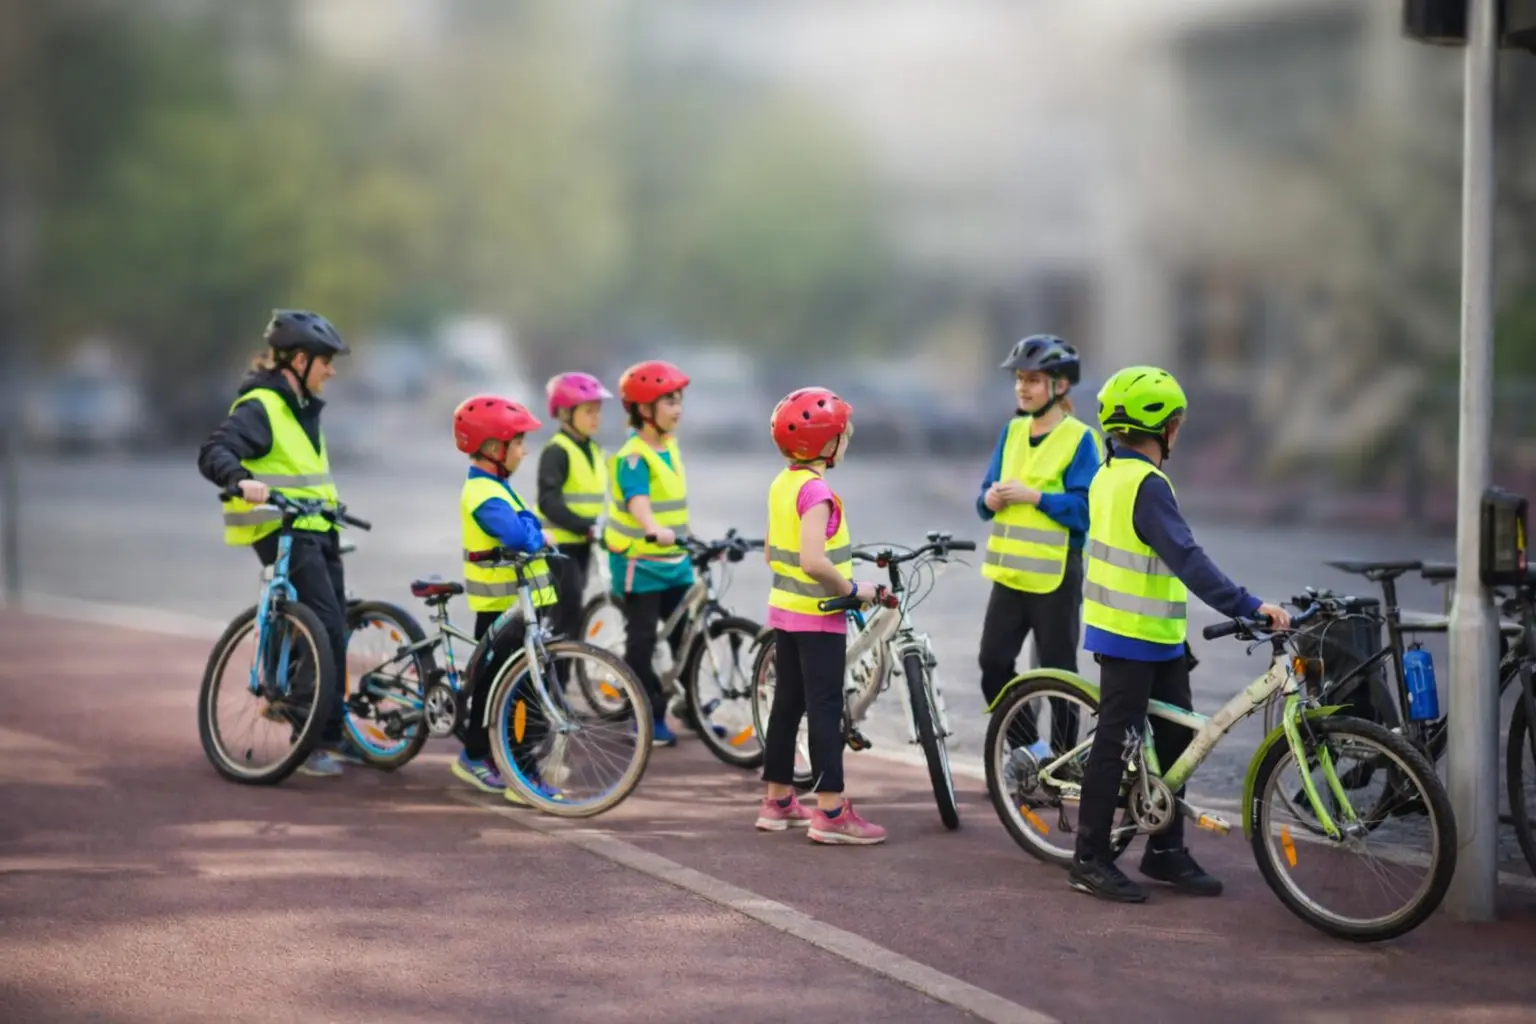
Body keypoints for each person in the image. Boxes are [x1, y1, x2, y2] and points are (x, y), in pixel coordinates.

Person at [1069, 366, 1292, 903]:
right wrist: (1247, 606)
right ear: (1163, 428)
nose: (1179, 431)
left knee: (1176, 742)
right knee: (1115, 744)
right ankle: (1089, 859)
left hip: (1156, 634)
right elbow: (1187, 559)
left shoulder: (1110, 472)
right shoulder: (1145, 486)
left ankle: (1165, 851)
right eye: (1177, 423)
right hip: (1128, 637)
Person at [197, 309, 358, 778]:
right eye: (326, 361)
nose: (332, 371)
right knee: (322, 623)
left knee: (335, 622)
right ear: (300, 360)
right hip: (281, 528)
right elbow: (215, 452)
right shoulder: (262, 405)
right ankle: (311, 735)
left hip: (318, 525)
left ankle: (330, 728)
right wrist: (239, 479)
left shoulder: (302, 407)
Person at [756, 387, 887, 845]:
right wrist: (854, 589)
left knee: (787, 705)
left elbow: (772, 553)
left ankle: (777, 801)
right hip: (820, 617)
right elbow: (813, 561)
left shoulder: (783, 483)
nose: (846, 440)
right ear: (827, 443)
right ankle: (830, 809)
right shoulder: (816, 493)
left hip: (786, 613)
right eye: (843, 434)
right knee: (826, 710)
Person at [975, 335, 1101, 767]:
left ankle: (1066, 763)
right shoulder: (1012, 432)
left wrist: (1036, 498)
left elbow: (1087, 511)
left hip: (1055, 578)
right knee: (993, 667)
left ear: (1060, 386)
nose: (1022, 388)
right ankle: (1034, 753)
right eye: (1019, 379)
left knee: (1060, 678)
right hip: (1009, 578)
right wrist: (988, 499)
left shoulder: (1080, 439)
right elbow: (983, 497)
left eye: (1032, 380)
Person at [451, 394, 560, 803]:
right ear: (494, 447)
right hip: (501, 609)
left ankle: (497, 760)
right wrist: (537, 534)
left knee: (516, 688)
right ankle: (495, 764)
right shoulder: (482, 492)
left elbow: (523, 525)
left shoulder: (498, 487)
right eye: (519, 442)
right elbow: (517, 535)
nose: (525, 450)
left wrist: (532, 529)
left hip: (520, 609)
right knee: (512, 691)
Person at [601, 359, 694, 747]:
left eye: (679, 400)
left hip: (675, 561)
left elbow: (672, 501)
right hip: (640, 563)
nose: (678, 409)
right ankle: (645, 715)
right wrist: (652, 526)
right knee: (642, 642)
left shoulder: (669, 446)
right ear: (643, 409)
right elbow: (639, 501)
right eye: (669, 401)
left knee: (686, 637)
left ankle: (694, 711)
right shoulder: (633, 456)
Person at [536, 372, 612, 643]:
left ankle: (564, 669)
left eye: (598, 410)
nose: (596, 417)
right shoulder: (557, 451)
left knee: (572, 618)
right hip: (559, 549)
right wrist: (585, 526)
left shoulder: (593, 450)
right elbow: (548, 502)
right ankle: (553, 670)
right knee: (562, 619)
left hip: (582, 546)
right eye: (588, 411)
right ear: (565, 413)